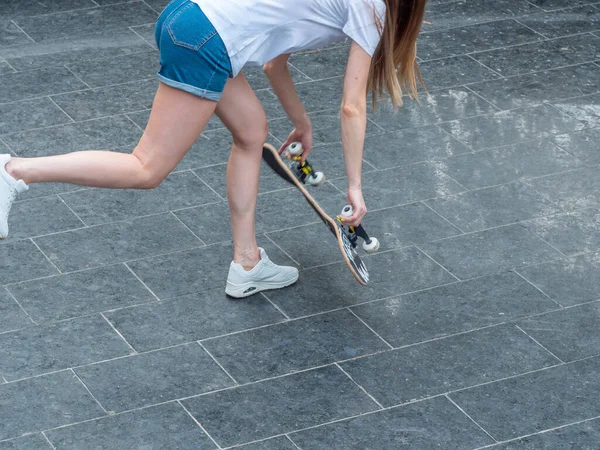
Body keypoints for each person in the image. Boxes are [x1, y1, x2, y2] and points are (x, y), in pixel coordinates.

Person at [0, 0, 426, 298]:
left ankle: (247, 264)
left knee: (251, 131)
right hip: (205, 40)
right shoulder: (374, 9)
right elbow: (352, 107)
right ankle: (14, 171)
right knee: (146, 168)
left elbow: (275, 62)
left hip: (189, 16)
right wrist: (355, 186)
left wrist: (301, 123)